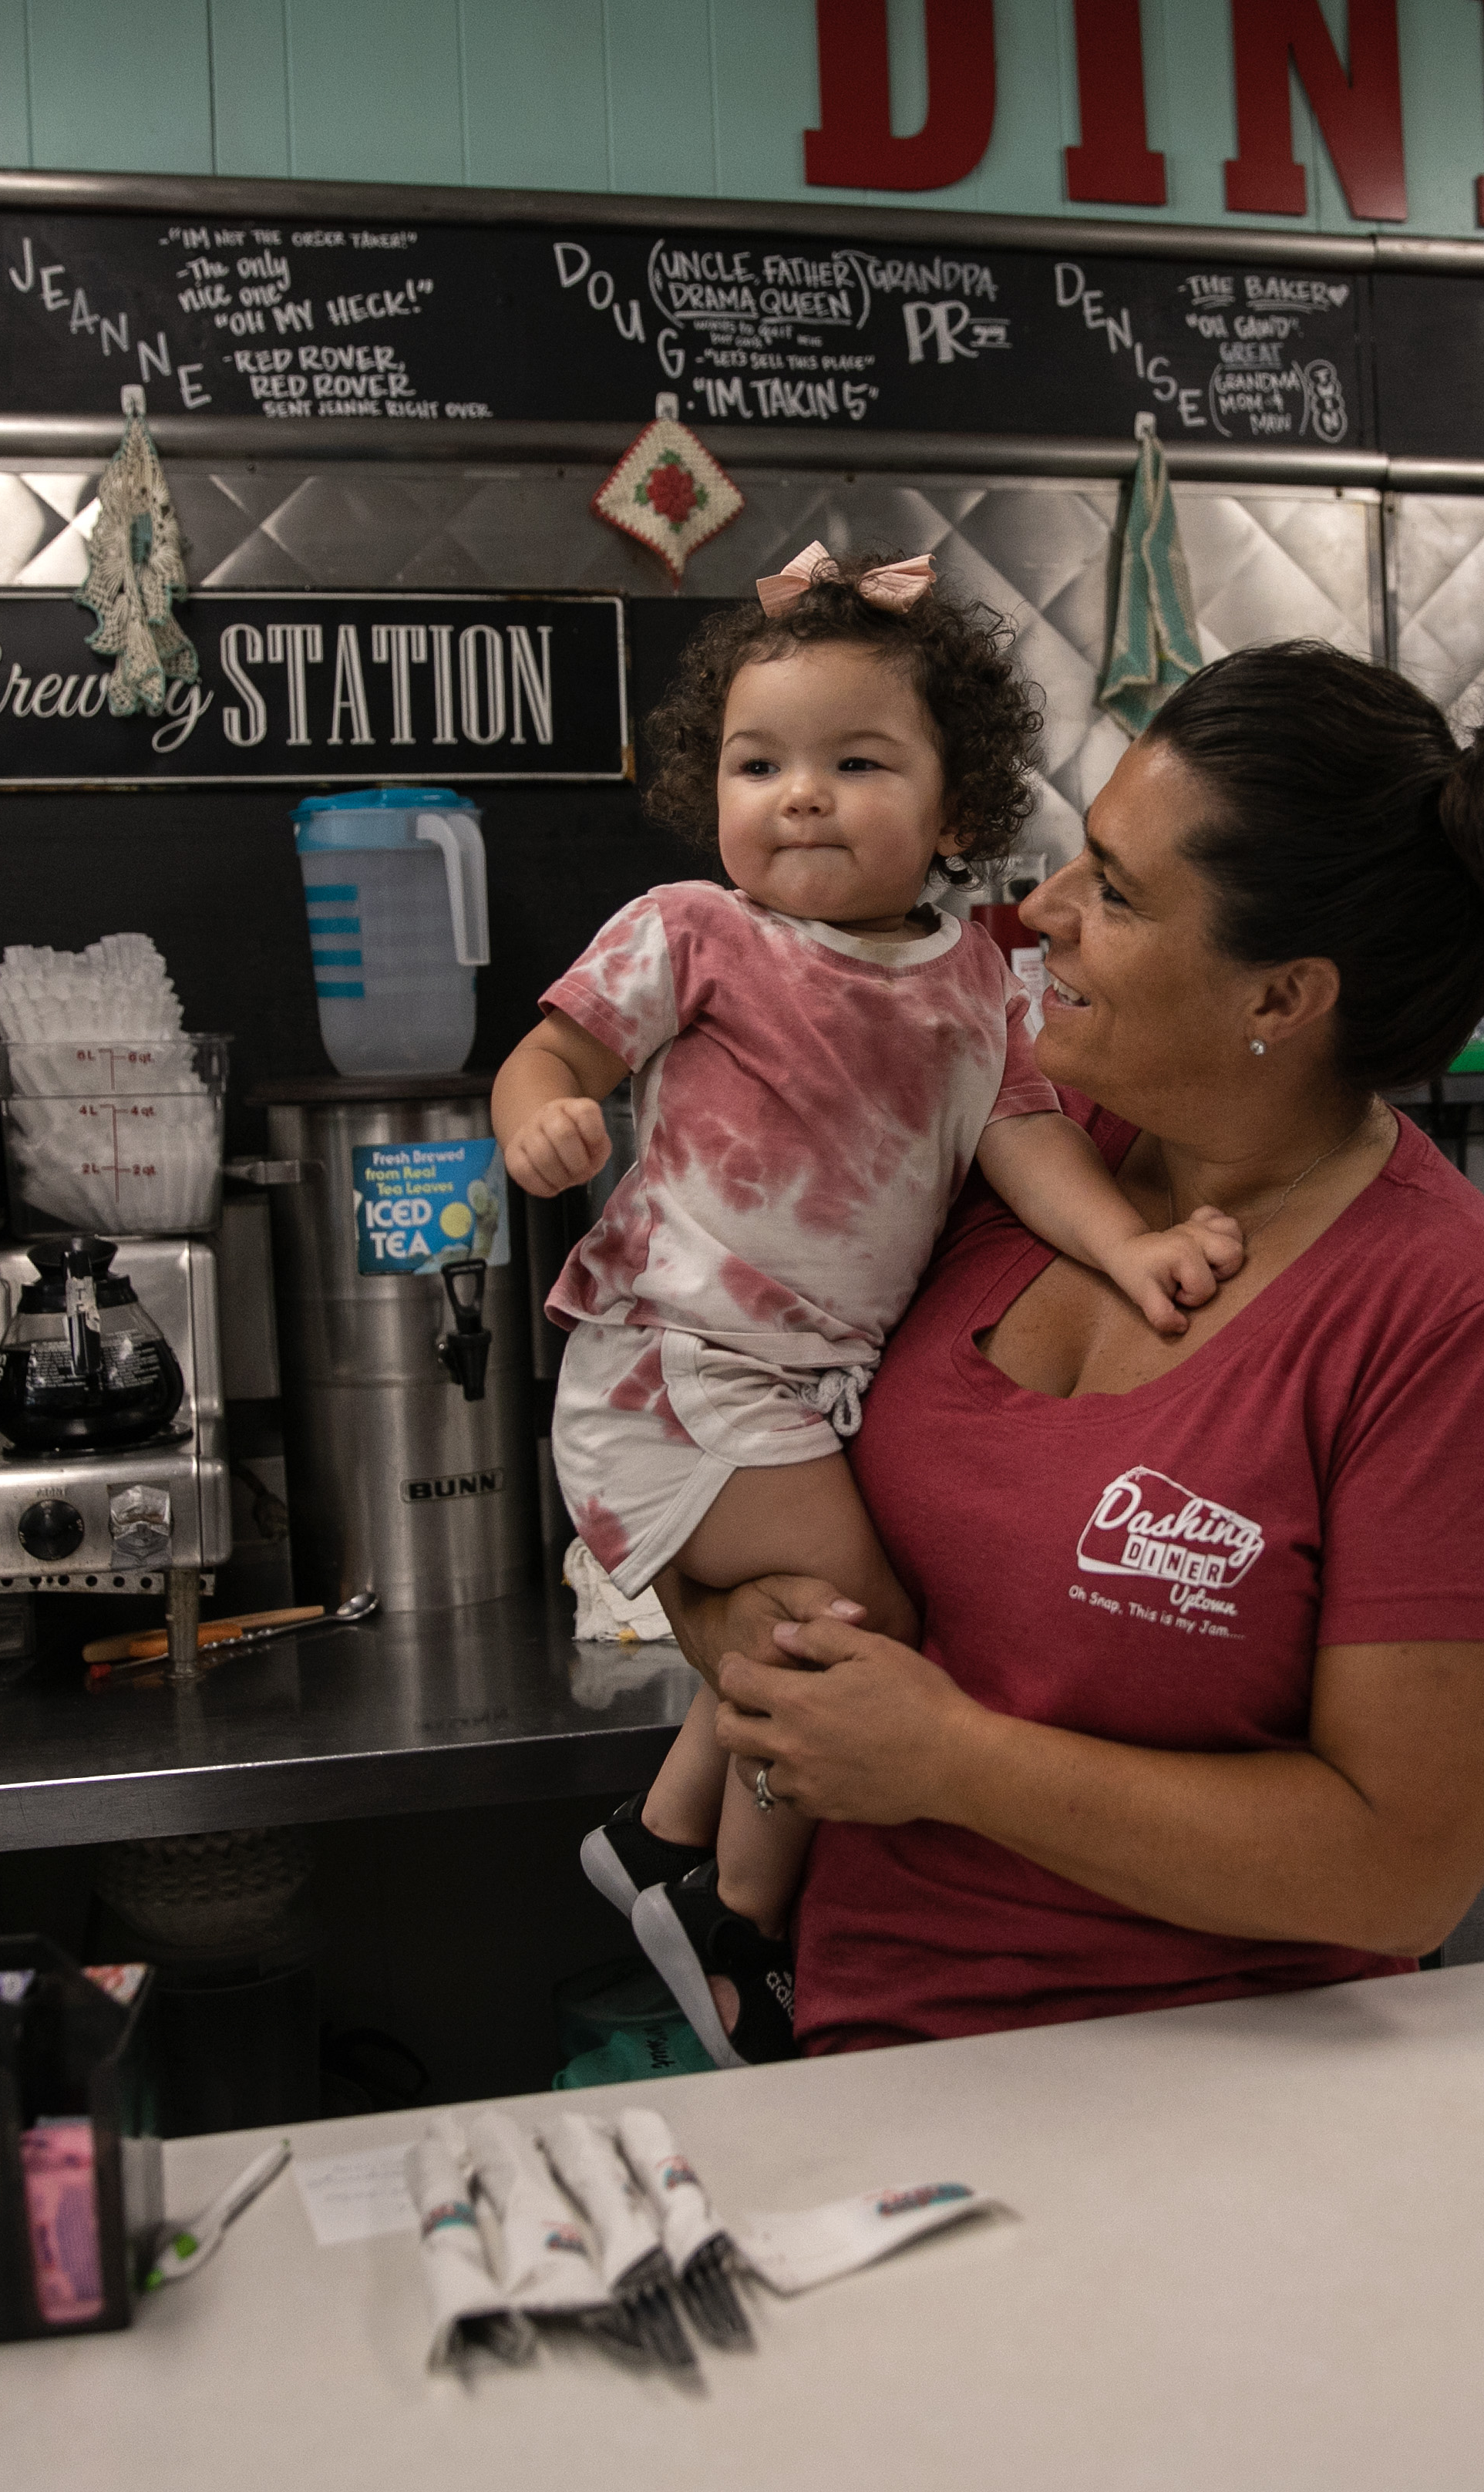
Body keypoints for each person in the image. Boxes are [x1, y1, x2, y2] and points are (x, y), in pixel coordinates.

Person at [658, 642, 1484, 2053]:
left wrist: (949, 1760)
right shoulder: (996, 1168)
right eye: (1076, 859)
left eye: (1113, 893)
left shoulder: (1457, 1320)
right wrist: (732, 1633)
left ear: (1279, 998)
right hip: (862, 2082)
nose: (1040, 912)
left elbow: (1402, 1870)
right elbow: (730, 1437)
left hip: (1225, 2120)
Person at [494, 541, 1244, 2067]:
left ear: (958, 811)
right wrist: (540, 1119)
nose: (801, 795)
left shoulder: (977, 980)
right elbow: (555, 1054)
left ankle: (660, 1839)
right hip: (678, 1359)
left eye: (855, 760)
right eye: (759, 762)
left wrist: (1130, 1248)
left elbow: (1024, 1137)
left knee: (795, 1617)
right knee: (860, 1625)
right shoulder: (696, 932)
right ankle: (737, 1927)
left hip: (800, 1382)